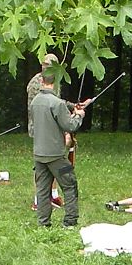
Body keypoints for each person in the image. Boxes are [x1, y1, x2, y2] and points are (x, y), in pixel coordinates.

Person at [29, 77, 88, 229]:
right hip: (56, 156)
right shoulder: (57, 103)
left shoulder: (35, 101)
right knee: (69, 185)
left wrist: (73, 107)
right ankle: (70, 221)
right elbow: (70, 125)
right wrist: (79, 115)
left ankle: (43, 223)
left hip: (39, 154)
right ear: (55, 84)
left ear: (42, 81)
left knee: (42, 190)